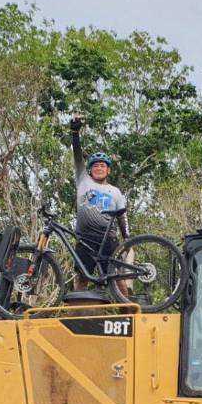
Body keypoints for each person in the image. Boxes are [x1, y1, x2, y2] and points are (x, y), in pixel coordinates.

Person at [70, 115, 129, 293]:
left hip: (108, 240)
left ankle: (130, 311)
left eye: (102, 166)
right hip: (85, 239)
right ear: (90, 170)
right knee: (81, 277)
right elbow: (77, 155)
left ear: (108, 170)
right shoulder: (83, 181)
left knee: (116, 278)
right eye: (95, 166)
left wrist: (127, 238)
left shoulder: (115, 191)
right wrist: (75, 132)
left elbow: (122, 216)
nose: (99, 168)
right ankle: (75, 315)